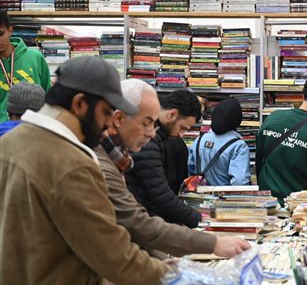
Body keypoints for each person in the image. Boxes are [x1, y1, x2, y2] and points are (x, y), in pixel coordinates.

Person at [0, 56, 169, 284]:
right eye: (107, 111)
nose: (110, 123)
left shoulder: (8, 143)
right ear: (80, 104)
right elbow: (113, 255)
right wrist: (180, 276)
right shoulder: (71, 163)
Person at [96, 79, 250, 258]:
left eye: (152, 124)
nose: (151, 133)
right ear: (119, 118)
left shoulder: (119, 156)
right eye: (146, 123)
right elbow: (140, 215)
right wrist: (204, 232)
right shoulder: (104, 162)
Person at [127, 89, 203, 228]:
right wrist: (198, 219)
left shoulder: (158, 137)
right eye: (183, 128)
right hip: (139, 220)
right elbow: (159, 192)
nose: (182, 134)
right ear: (172, 114)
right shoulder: (150, 139)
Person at [256, 76, 307, 201]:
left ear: (304, 95)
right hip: (297, 206)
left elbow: (259, 161)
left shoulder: (273, 118)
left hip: (267, 202)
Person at [0, 11, 51, 122]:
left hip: (33, 128)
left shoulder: (35, 57)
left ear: (10, 31)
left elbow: (48, 97)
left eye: (1, 34)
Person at [188, 98, 251, 186]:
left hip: (199, 196)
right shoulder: (238, 146)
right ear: (237, 119)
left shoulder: (200, 139)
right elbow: (239, 182)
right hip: (224, 198)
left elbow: (191, 169)